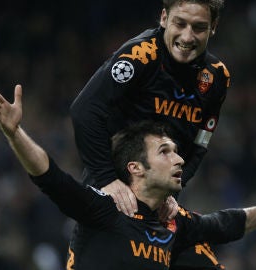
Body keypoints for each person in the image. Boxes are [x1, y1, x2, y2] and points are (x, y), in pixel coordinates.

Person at [0, 85, 256, 270]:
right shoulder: (105, 209)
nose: (178, 159)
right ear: (136, 167)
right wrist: (15, 133)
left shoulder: (173, 224)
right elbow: (51, 177)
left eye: (176, 151)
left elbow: (224, 223)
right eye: (164, 151)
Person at [70, 0, 230, 217]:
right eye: (180, 24)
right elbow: (84, 111)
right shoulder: (140, 55)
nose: (187, 37)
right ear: (164, 18)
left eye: (199, 27)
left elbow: (200, 144)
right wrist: (107, 179)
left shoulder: (217, 77)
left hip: (161, 204)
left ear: (214, 27)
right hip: (113, 193)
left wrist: (174, 190)